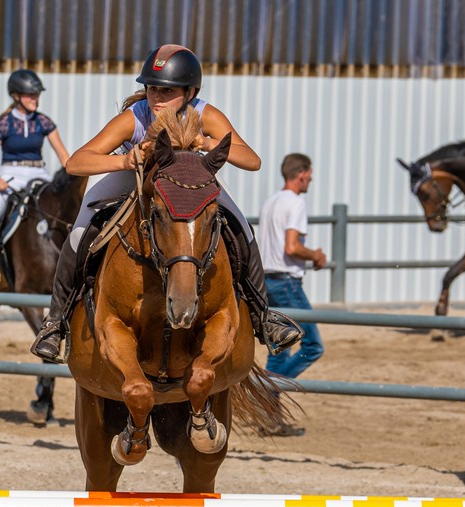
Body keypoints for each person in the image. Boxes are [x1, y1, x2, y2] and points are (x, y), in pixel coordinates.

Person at [29, 44, 302, 364]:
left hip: (190, 180)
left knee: (242, 226)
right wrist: (125, 160)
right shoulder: (135, 116)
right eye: (152, 88)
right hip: (135, 176)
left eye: (167, 90)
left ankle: (264, 317)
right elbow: (77, 162)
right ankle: (55, 323)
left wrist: (206, 142)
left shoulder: (205, 114)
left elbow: (252, 160)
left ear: (190, 92)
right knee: (79, 232)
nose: (156, 97)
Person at [0, 69, 70, 284]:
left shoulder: (44, 122)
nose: (35, 99)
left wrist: (76, 171)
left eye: (37, 95)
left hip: (39, 173)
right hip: (11, 173)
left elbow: (63, 155)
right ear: (16, 96)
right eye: (30, 95)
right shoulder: (5, 123)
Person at [257, 154, 326, 436]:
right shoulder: (295, 203)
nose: (311, 179)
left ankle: (270, 417)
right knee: (313, 346)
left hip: (267, 282)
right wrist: (316, 255)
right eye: (310, 174)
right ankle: (268, 390)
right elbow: (292, 247)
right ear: (302, 174)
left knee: (279, 349)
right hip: (287, 283)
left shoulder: (271, 202)